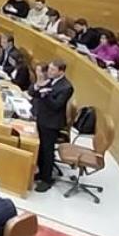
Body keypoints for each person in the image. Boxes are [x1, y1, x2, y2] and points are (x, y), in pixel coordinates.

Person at [30, 60, 74, 191]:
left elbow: (56, 105)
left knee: (47, 151)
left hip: (52, 122)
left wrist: (46, 93)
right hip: (42, 117)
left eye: (53, 70)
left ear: (61, 71)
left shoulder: (66, 87)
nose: (49, 72)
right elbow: (33, 92)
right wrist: (38, 86)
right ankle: (40, 172)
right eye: (49, 69)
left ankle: (46, 179)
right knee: (41, 148)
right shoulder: (49, 80)